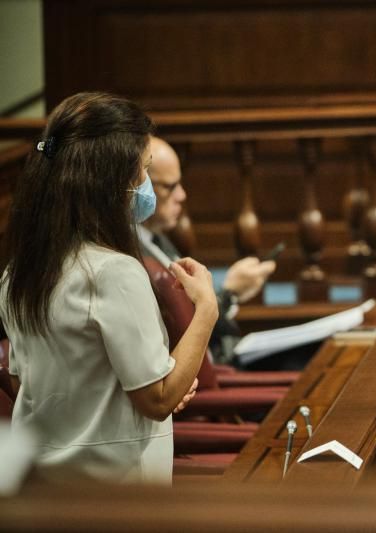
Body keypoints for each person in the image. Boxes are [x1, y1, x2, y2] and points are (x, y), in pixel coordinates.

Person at [0, 92, 219, 483]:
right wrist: (206, 310)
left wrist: (158, 383)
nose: (146, 183)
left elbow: (25, 384)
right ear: (112, 181)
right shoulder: (114, 272)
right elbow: (159, 399)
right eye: (145, 169)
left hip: (40, 487)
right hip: (114, 491)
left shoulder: (17, 272)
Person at [137, 136, 275, 363]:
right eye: (170, 187)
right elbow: (181, 323)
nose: (182, 195)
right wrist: (230, 292)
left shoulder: (158, 238)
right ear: (138, 186)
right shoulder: (133, 253)